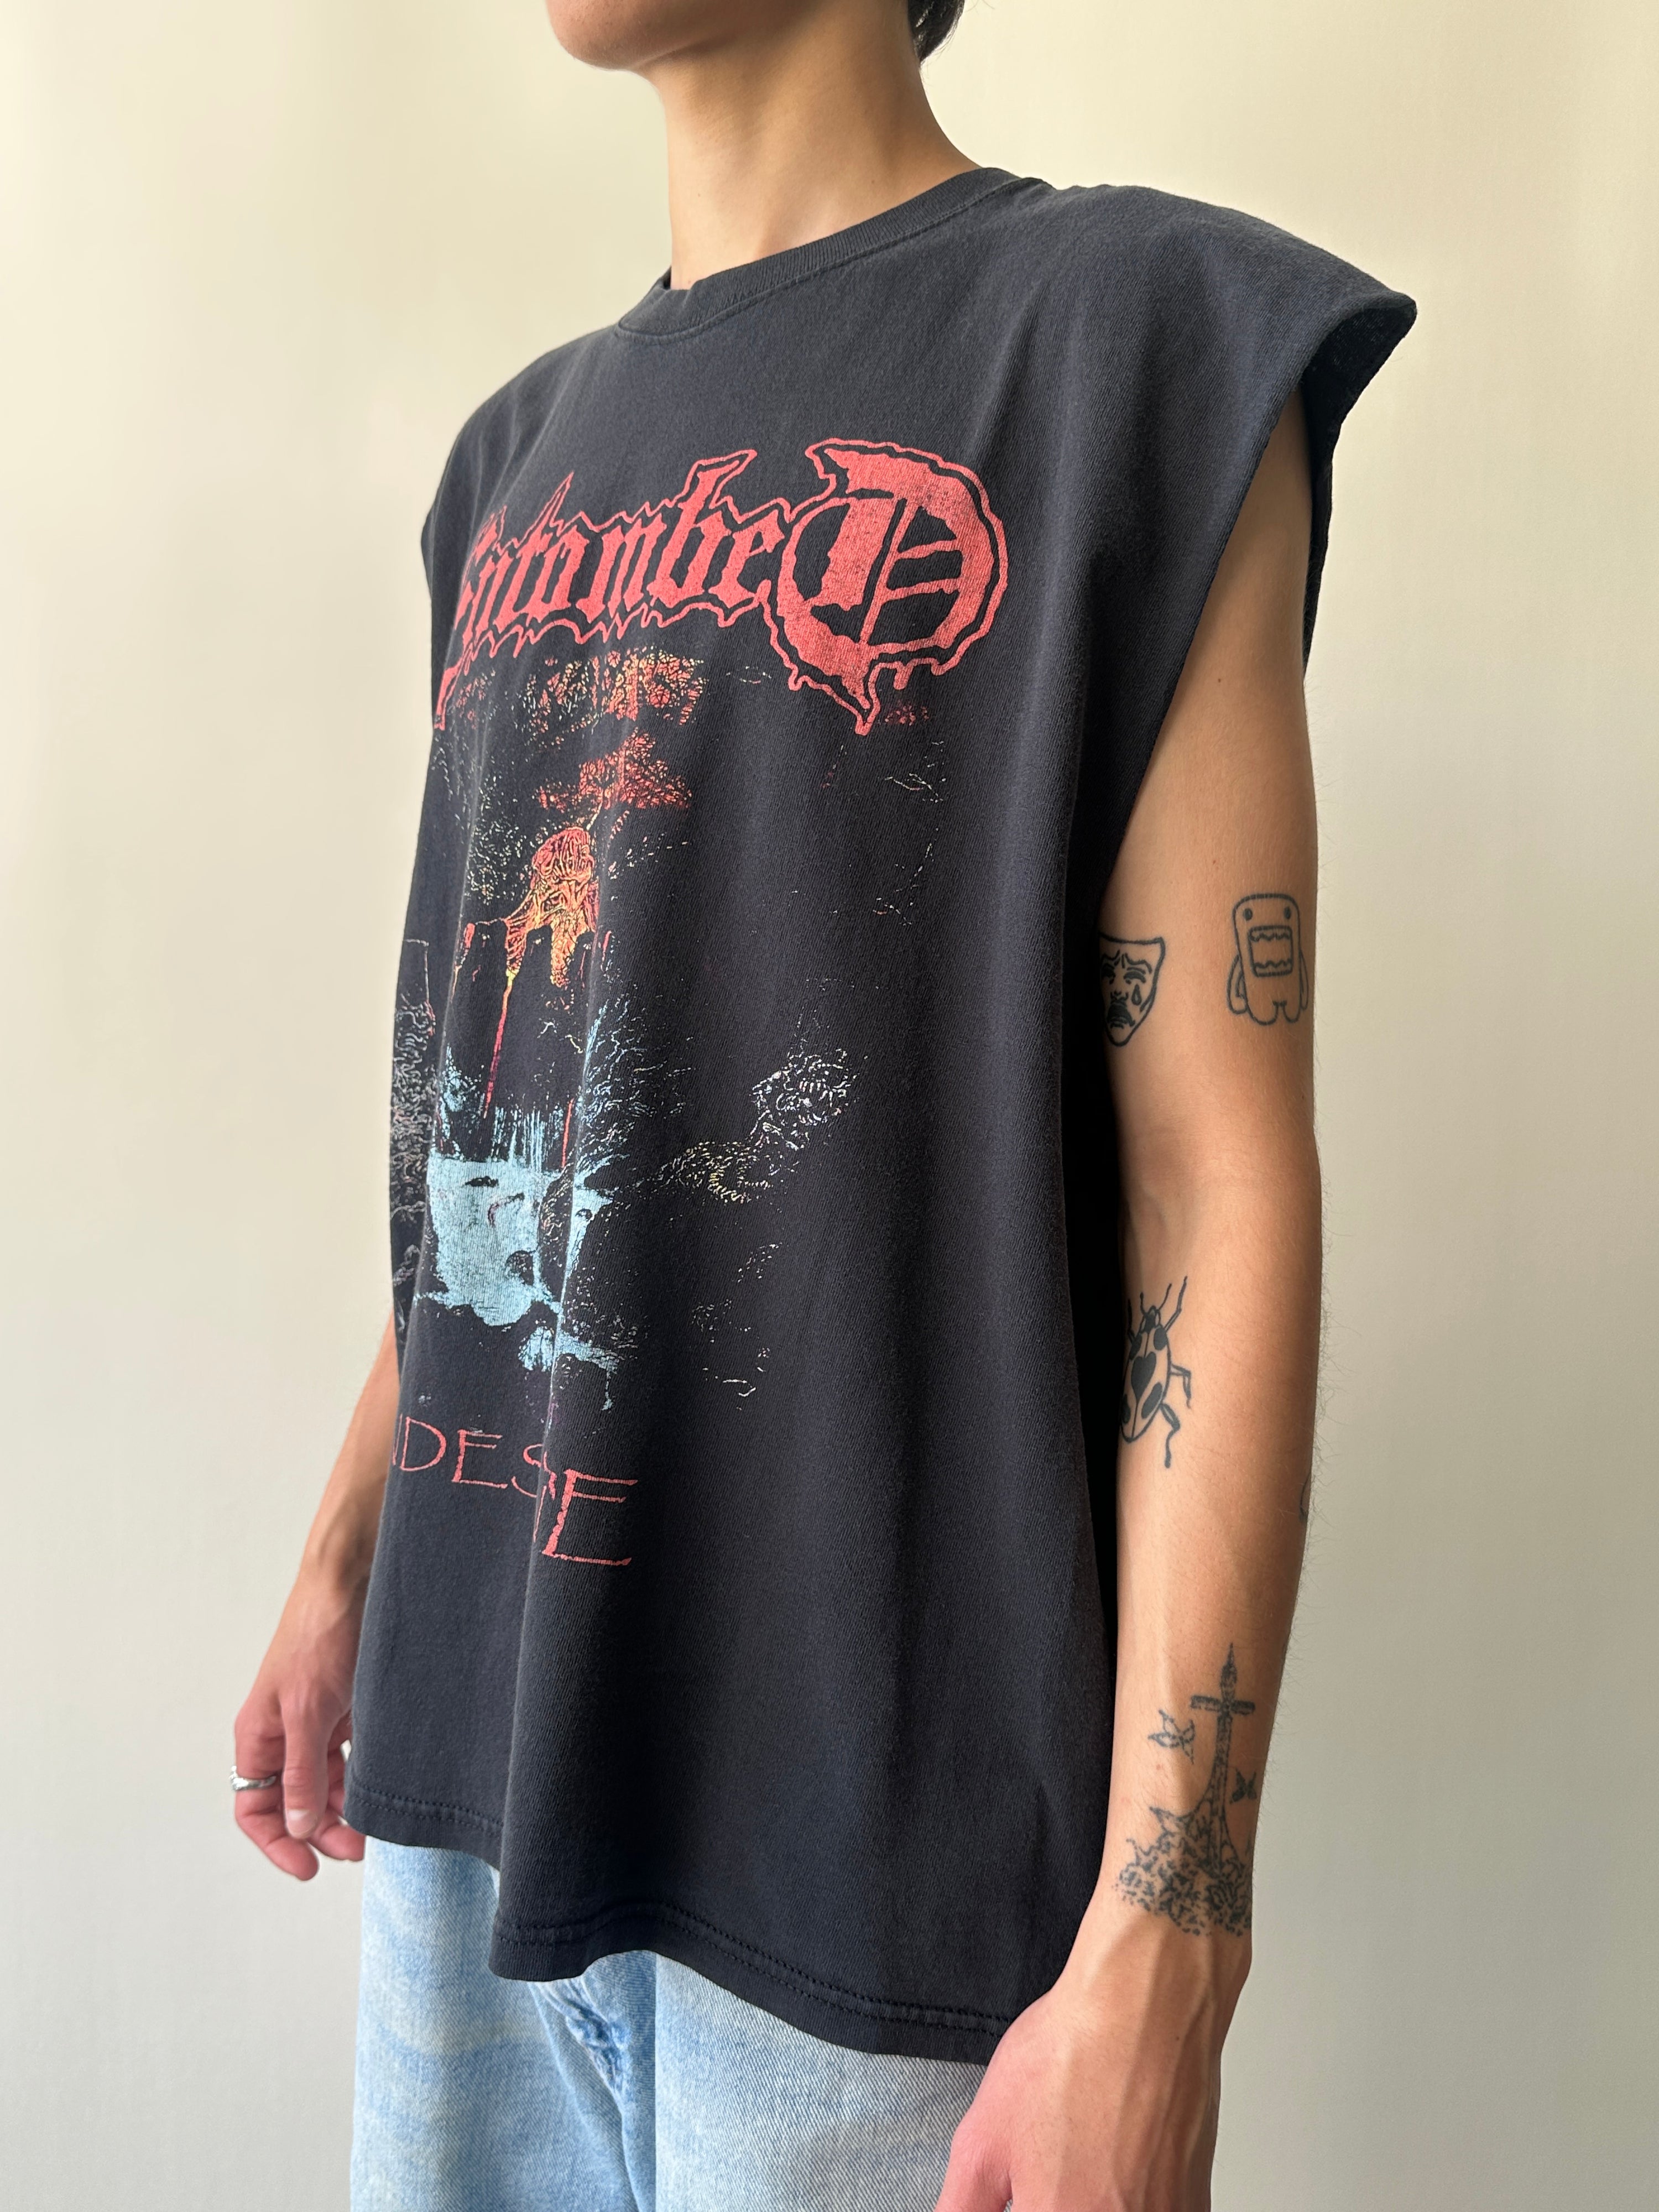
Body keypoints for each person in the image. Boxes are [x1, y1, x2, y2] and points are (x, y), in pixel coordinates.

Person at [232, 1, 1413, 2204]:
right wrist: (344, 1554)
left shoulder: (1128, 348)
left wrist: (1170, 1946)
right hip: (471, 1782)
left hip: (870, 1890)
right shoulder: (509, 472)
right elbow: (515, 1107)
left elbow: (1216, 1180)